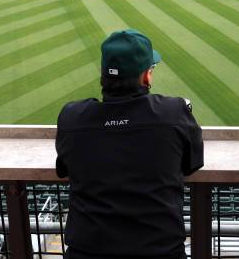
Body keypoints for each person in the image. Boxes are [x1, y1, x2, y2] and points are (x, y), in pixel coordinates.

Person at [56, 29, 203, 259]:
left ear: (104, 74)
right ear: (146, 77)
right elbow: (193, 163)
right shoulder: (174, 112)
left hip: (86, 253)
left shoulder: (71, 116)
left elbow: (62, 168)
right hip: (160, 253)